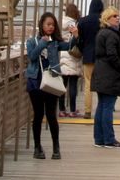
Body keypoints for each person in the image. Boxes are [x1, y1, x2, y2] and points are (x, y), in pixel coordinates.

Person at [25, 11, 71, 160]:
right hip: (35, 83)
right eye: (48, 24)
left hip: (51, 82)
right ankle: (37, 147)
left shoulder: (55, 42)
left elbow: (69, 46)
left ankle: (56, 148)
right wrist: (43, 43)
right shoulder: (32, 41)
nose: (51, 27)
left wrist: (76, 36)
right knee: (38, 115)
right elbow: (32, 56)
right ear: (42, 25)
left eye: (53, 25)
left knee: (51, 115)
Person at [90, 5, 120, 148]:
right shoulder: (112, 35)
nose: (118, 18)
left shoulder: (102, 33)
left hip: (101, 72)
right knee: (107, 106)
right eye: (114, 16)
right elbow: (112, 55)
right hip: (109, 75)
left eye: (118, 16)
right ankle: (109, 139)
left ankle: (99, 138)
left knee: (102, 106)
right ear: (107, 19)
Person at [77, 0, 104, 116]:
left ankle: (87, 111)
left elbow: (80, 40)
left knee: (88, 83)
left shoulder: (82, 21)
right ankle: (102, 109)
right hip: (102, 57)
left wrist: (83, 50)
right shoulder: (103, 21)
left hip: (87, 56)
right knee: (102, 83)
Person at [59, 3, 82, 117]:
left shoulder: (59, 23)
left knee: (62, 86)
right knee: (72, 85)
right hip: (72, 55)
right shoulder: (74, 24)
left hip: (62, 55)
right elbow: (76, 40)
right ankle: (73, 110)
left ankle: (62, 109)